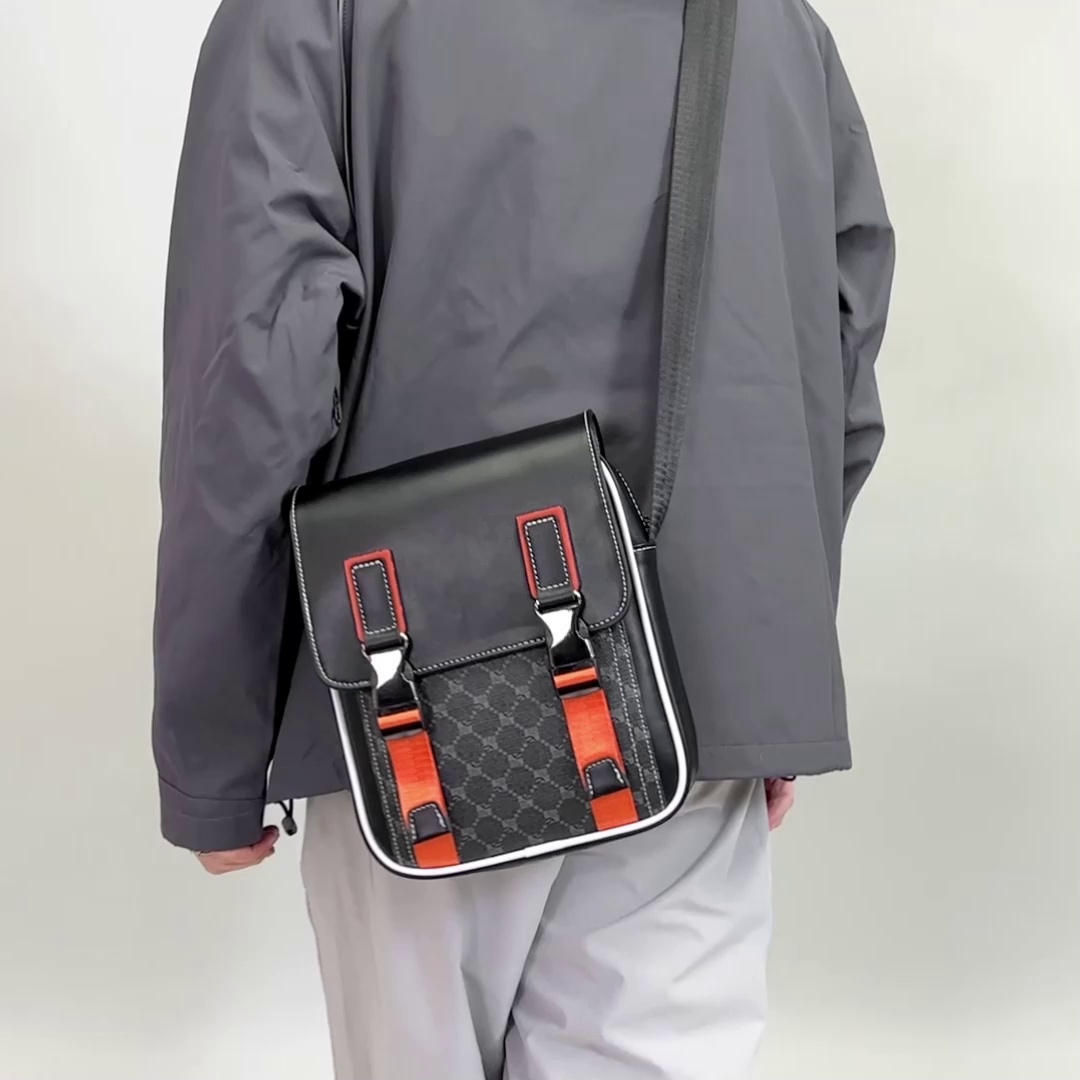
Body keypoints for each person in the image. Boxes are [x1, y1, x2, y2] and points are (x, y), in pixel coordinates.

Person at [153, 0, 894, 1076]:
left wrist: (215, 760)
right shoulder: (776, 23)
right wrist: (764, 679)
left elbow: (249, 394)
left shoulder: (310, 19)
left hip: (418, 696)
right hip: (696, 707)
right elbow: (836, 362)